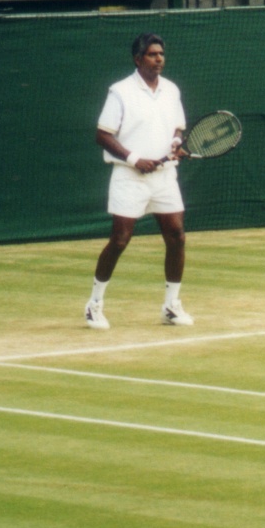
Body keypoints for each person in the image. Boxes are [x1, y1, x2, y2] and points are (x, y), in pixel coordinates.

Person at [88, 33, 190, 330]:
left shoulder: (171, 90)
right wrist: (135, 159)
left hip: (164, 177)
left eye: (161, 54)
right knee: (120, 240)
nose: (159, 59)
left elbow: (177, 128)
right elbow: (103, 135)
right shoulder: (120, 91)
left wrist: (175, 143)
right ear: (138, 59)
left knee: (177, 237)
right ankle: (94, 305)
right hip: (129, 177)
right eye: (152, 54)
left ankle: (171, 306)